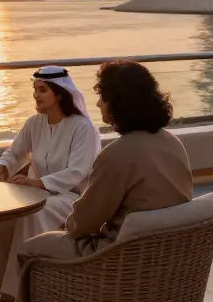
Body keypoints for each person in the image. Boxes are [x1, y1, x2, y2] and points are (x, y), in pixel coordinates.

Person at [17, 60, 193, 279]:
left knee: (29, 249)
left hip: (118, 256)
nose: (98, 103)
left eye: (102, 97)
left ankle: (25, 293)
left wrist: (65, 224)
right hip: (168, 256)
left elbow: (83, 223)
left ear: (117, 102)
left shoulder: (117, 154)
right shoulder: (174, 144)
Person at [0, 66, 102, 297]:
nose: (35, 95)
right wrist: (3, 166)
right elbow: (15, 153)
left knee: (31, 214)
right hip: (34, 193)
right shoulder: (34, 123)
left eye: (42, 90)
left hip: (70, 198)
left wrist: (38, 183)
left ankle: (17, 293)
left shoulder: (83, 128)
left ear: (59, 93)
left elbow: (77, 172)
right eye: (35, 89)